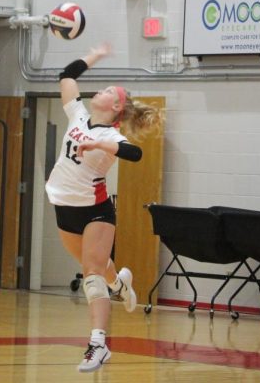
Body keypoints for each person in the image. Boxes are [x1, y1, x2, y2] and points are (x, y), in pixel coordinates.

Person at [46, 42, 163, 373]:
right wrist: (94, 56)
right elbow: (67, 75)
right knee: (100, 267)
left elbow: (135, 155)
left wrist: (100, 143)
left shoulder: (114, 136)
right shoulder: (78, 114)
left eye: (110, 90)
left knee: (92, 275)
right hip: (63, 207)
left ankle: (98, 345)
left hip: (95, 211)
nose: (103, 89)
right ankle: (122, 284)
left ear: (115, 106)